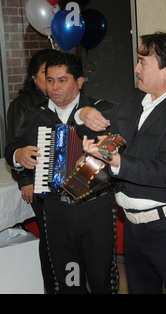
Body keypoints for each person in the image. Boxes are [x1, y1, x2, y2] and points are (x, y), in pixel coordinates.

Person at [80, 32, 166, 294]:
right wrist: (85, 114)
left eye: (143, 63)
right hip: (132, 227)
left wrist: (116, 161)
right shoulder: (132, 100)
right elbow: (99, 124)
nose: (136, 69)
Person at [5, 51, 118, 294]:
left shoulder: (100, 110)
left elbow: (116, 137)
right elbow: (12, 146)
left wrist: (82, 113)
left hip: (95, 209)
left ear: (79, 82)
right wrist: (18, 154)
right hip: (56, 211)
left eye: (62, 80)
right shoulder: (37, 115)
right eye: (50, 80)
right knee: (69, 280)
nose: (54, 87)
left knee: (102, 280)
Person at [6, 48, 59, 293]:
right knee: (50, 238)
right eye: (44, 74)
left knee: (61, 238)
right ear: (33, 77)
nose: (50, 79)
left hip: (59, 179)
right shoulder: (22, 105)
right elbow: (16, 145)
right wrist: (25, 178)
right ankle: (51, 285)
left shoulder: (58, 100)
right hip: (37, 180)